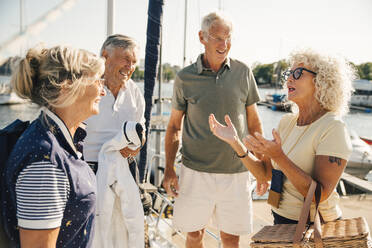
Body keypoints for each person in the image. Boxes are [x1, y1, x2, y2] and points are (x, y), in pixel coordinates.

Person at [209, 48, 355, 225]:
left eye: (298, 73)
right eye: (289, 73)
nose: (289, 78)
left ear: (321, 81)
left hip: (317, 228)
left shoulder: (333, 127)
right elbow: (264, 174)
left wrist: (278, 156)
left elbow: (319, 195)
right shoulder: (287, 122)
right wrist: (235, 142)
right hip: (282, 222)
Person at [163, 11, 263, 248]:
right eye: (217, 37)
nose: (224, 44)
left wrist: (261, 167)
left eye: (228, 38)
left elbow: (255, 124)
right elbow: (174, 127)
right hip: (195, 172)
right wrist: (169, 169)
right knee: (195, 234)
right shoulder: (184, 78)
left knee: (231, 238)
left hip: (237, 171)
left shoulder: (243, 73)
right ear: (202, 37)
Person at [2, 45, 106, 247]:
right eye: (96, 80)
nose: (103, 89)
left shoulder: (57, 142)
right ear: (67, 85)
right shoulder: (45, 161)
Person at [83, 34, 145, 177]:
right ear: (105, 55)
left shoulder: (134, 91)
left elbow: (142, 130)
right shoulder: (85, 87)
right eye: (126, 59)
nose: (130, 67)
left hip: (125, 168)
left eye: (134, 62)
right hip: (90, 170)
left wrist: (138, 146)